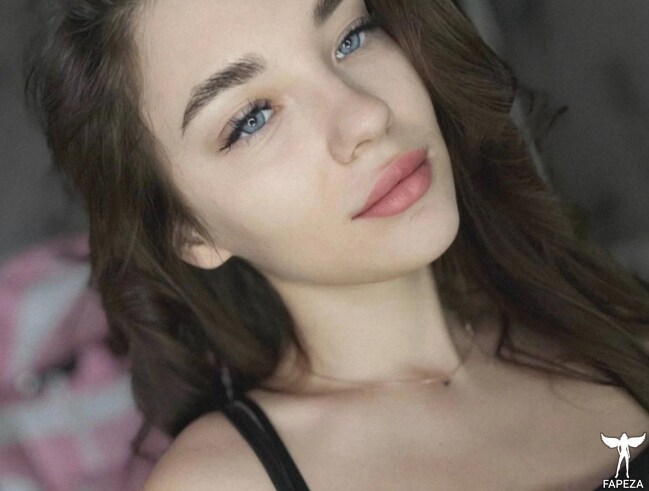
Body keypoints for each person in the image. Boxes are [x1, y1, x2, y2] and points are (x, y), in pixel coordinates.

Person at [26, 0, 649, 489]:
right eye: (252, 119)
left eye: (351, 37)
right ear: (188, 230)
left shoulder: (612, 325)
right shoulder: (227, 482)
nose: (366, 115)